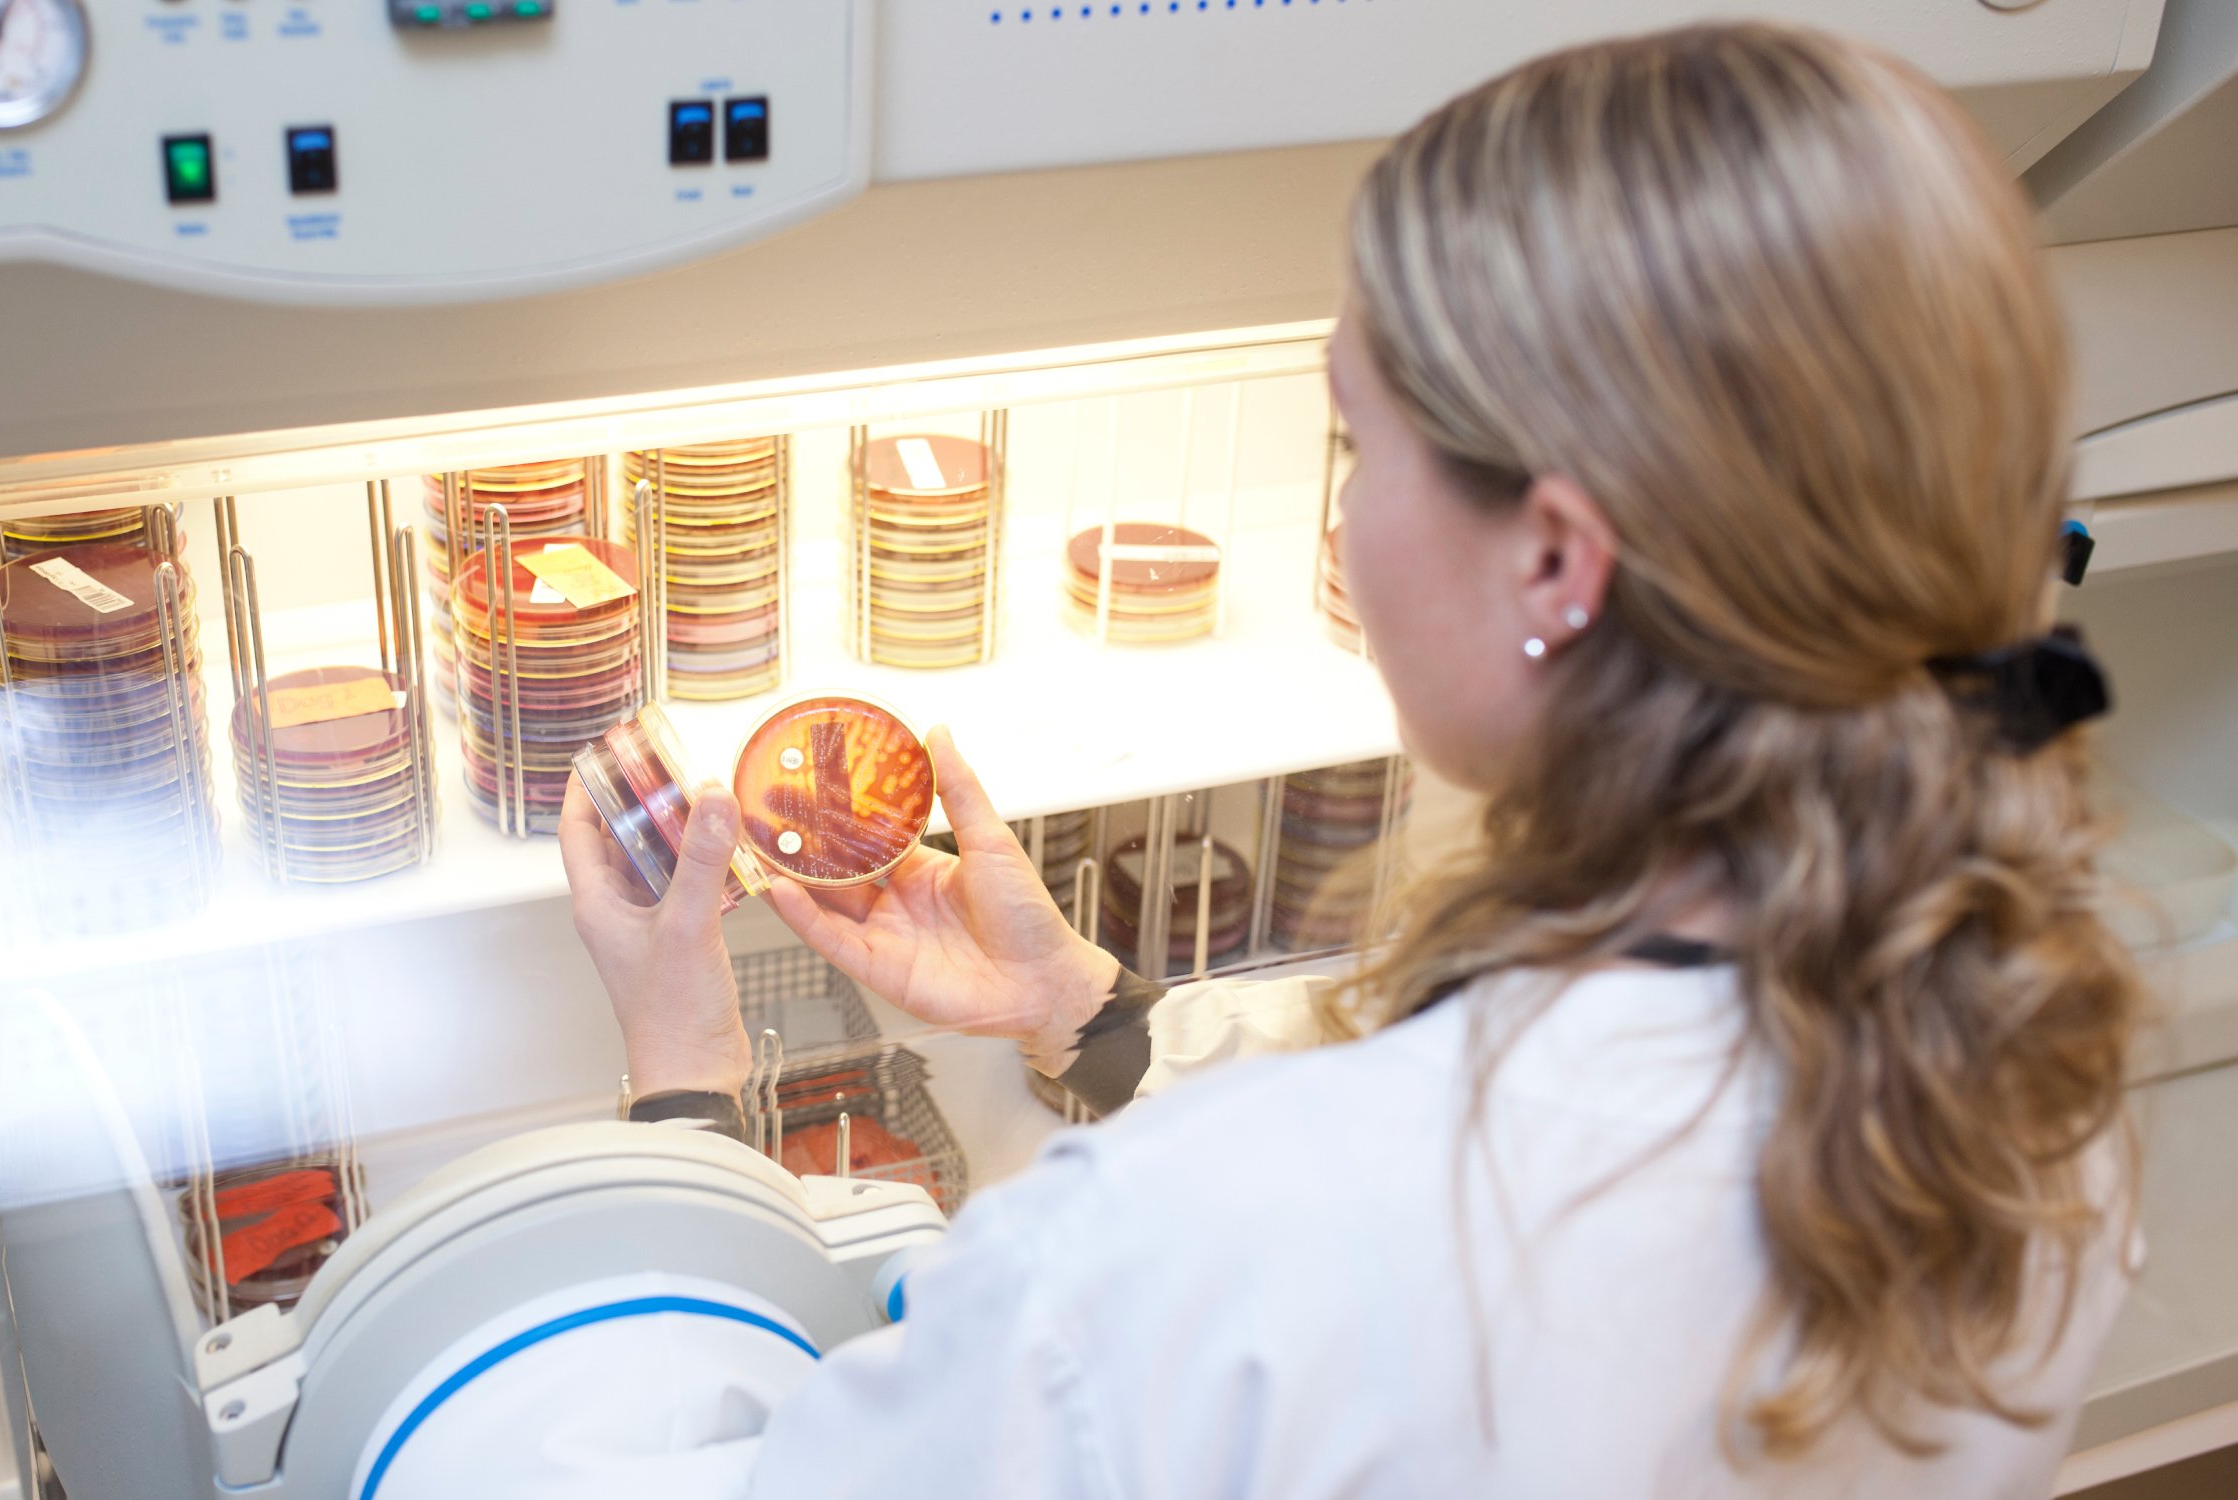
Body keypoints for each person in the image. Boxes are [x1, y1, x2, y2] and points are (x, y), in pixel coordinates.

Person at [557, 22, 2140, 1496]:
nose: (1341, 525)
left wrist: (686, 1088)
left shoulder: (1178, 1259)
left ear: (1555, 565)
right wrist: (1084, 1017)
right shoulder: (2029, 1087)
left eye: (1358, 445)